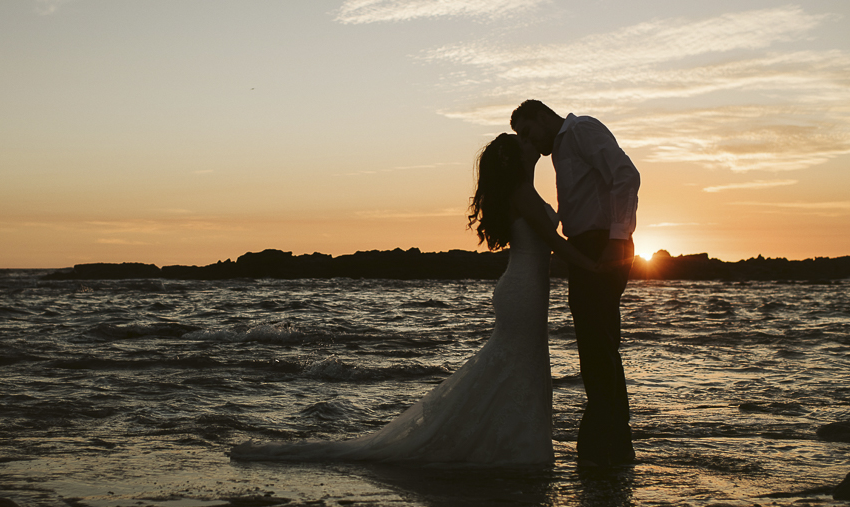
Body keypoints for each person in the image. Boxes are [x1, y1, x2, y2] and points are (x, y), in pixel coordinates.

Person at [231, 134, 598, 465]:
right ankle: (517, 448)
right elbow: (554, 245)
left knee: (522, 366)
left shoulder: (526, 192)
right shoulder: (520, 193)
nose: (530, 142)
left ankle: (516, 443)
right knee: (518, 363)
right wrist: (597, 267)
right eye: (523, 142)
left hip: (525, 289)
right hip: (521, 292)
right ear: (517, 158)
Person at [510, 100, 641, 468]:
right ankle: (612, 441)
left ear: (541, 116)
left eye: (527, 132)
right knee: (598, 343)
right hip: (585, 245)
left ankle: (604, 443)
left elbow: (626, 175)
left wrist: (617, 236)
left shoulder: (580, 130)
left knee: (597, 345)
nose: (528, 141)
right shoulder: (558, 151)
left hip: (603, 242)